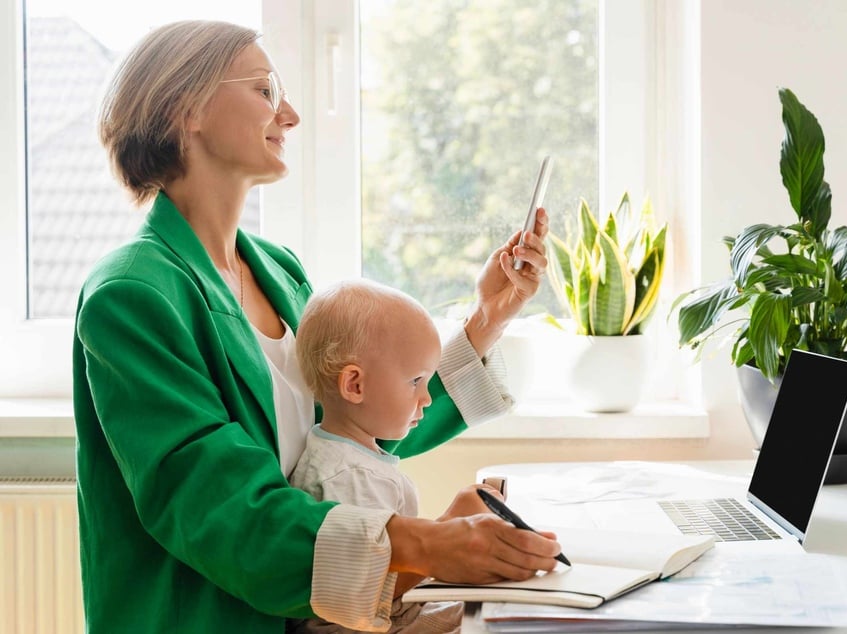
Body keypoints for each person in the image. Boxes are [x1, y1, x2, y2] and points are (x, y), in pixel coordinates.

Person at [72, 19, 556, 634]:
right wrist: (425, 544)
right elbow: (218, 508)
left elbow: (357, 427)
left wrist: (490, 315)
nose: (292, 114)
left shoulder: (278, 270)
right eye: (266, 90)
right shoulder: (132, 296)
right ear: (184, 108)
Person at [288, 279, 467, 633]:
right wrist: (450, 527)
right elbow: (372, 593)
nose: (427, 398)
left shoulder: (355, 458)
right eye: (416, 381)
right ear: (355, 385)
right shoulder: (344, 477)